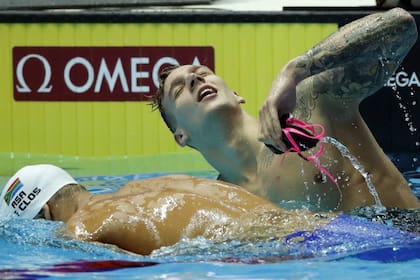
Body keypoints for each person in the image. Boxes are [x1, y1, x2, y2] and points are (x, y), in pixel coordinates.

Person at [152, 7, 420, 211]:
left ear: (236, 95)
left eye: (204, 73)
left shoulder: (309, 102)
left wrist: (297, 69)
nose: (195, 79)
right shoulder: (224, 204)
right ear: (181, 135)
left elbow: (400, 24)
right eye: (179, 89)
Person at [0, 164, 417, 257]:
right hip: (323, 226)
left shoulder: (80, 229)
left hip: (302, 249)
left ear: (47, 211)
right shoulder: (148, 184)